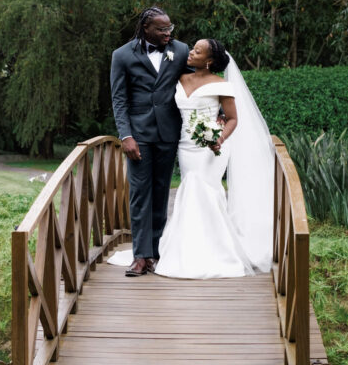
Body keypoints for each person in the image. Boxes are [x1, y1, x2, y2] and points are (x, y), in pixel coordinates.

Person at [109, 37, 275, 278]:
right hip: (185, 145)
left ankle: (216, 251)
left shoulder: (222, 85)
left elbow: (232, 119)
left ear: (208, 61)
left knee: (205, 191)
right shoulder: (180, 76)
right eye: (193, 49)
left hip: (211, 147)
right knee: (189, 190)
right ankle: (183, 247)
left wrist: (219, 137)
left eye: (197, 51)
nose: (190, 52)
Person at [109, 7, 190, 277]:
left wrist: (220, 107)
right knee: (140, 194)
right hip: (139, 136)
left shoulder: (180, 50)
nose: (168, 33)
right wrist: (126, 135)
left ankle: (155, 253)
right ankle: (140, 256)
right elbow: (119, 100)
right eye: (161, 29)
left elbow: (196, 81)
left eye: (170, 28)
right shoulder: (121, 55)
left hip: (169, 133)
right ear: (146, 28)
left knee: (160, 193)